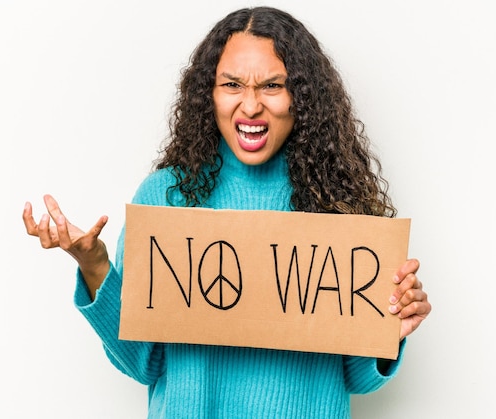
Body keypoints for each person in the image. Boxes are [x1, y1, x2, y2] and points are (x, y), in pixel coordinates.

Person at [23, 6, 431, 418]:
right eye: (232, 84)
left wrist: (389, 331)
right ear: (209, 93)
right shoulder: (166, 196)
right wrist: (94, 266)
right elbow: (143, 363)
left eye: (272, 85)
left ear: (302, 97)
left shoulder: (338, 205)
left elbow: (355, 378)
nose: (250, 106)